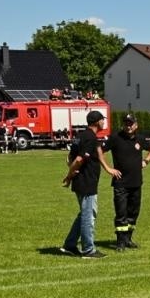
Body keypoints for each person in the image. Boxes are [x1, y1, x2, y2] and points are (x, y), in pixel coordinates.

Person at [61, 111, 119, 258]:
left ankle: (70, 245)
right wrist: (68, 176)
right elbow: (79, 159)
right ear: (97, 122)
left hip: (82, 181)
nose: (104, 122)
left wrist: (107, 169)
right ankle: (88, 250)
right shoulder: (89, 138)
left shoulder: (82, 136)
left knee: (83, 215)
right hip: (86, 182)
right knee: (89, 215)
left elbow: (73, 156)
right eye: (102, 120)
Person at [106, 114, 150, 248]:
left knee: (133, 213)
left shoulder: (140, 139)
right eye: (126, 123)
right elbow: (99, 150)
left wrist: (146, 161)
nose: (128, 126)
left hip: (136, 182)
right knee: (121, 213)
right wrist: (108, 168)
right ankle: (120, 242)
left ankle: (128, 239)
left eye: (131, 123)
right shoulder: (115, 138)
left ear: (136, 125)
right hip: (120, 183)